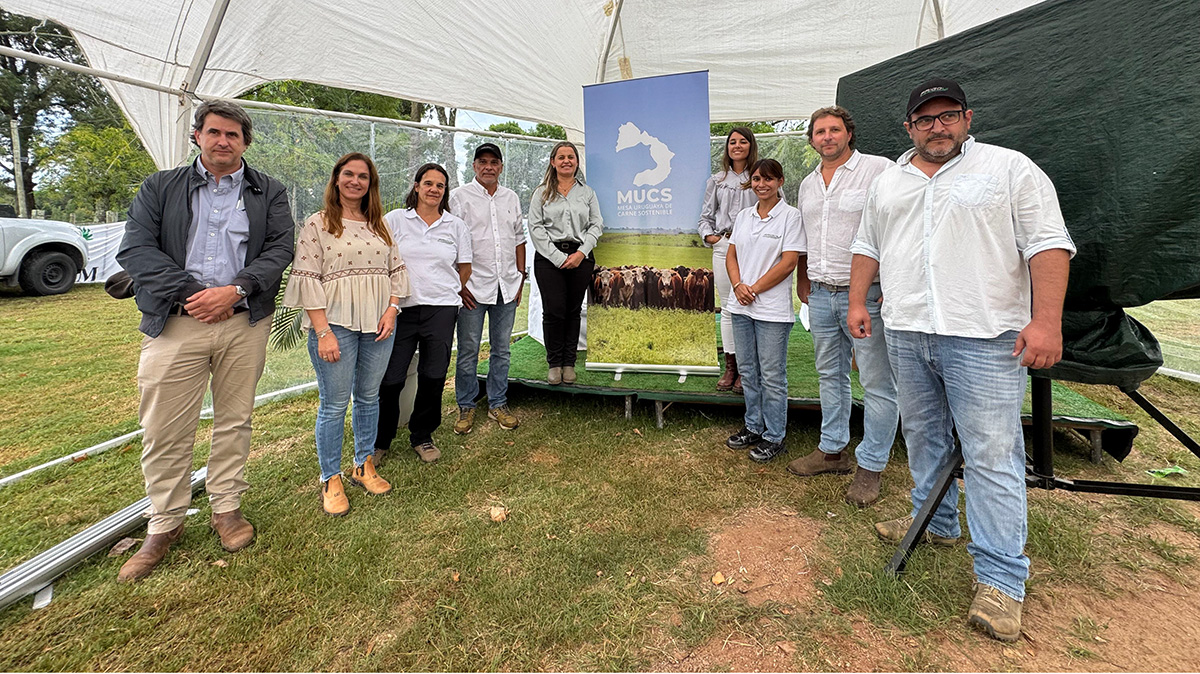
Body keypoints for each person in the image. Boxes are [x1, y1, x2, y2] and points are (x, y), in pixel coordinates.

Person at [848, 78, 1074, 642]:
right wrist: (857, 300)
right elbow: (868, 245)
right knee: (923, 437)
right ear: (908, 127)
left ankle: (1001, 580)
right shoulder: (889, 182)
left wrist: (1046, 321)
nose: (937, 126)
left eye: (948, 115)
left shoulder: (1008, 169)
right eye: (925, 119)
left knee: (993, 453)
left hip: (984, 337)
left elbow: (1048, 242)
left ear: (967, 118)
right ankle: (939, 520)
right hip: (906, 330)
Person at [114, 100, 294, 581]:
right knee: (165, 428)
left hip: (241, 322)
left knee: (234, 421)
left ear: (245, 142)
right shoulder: (161, 186)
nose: (223, 141)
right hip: (177, 323)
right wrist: (197, 295)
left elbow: (280, 248)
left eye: (233, 135)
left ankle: (226, 508)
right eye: (214, 132)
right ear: (197, 136)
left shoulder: (268, 191)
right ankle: (165, 523)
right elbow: (136, 249)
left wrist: (234, 291)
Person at [283, 153, 410, 516]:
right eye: (349, 174)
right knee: (335, 403)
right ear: (336, 179)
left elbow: (396, 271)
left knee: (369, 397)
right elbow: (307, 280)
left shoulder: (379, 225)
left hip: (380, 324)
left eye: (364, 176)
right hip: (334, 325)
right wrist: (323, 331)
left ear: (372, 184)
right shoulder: (318, 224)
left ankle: (363, 464)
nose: (356, 181)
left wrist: (391, 310)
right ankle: (330, 477)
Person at [788, 106, 899, 507]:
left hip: (865, 295)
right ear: (812, 140)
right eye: (819, 131)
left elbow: (897, 226)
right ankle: (832, 450)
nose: (827, 137)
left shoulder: (878, 170)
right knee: (829, 374)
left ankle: (871, 467)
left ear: (849, 134)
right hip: (819, 292)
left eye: (835, 129)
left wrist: (892, 279)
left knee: (876, 382)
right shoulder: (807, 184)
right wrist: (803, 277)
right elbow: (805, 234)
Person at [376, 163, 472, 464]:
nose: (433, 189)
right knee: (390, 378)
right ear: (416, 186)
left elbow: (464, 268)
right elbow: (380, 261)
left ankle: (422, 435)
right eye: (428, 183)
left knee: (433, 375)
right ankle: (381, 441)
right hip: (400, 309)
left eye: (440, 186)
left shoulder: (455, 226)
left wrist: (444, 290)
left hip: (441, 310)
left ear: (445, 192)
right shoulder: (394, 220)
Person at [724, 158, 805, 463]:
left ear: (780, 182)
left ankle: (774, 435)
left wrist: (753, 289)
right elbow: (731, 255)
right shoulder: (744, 216)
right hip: (741, 305)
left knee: (772, 374)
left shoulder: (790, 217)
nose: (761, 184)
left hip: (770, 309)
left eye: (768, 179)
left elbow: (788, 263)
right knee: (748, 370)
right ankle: (753, 426)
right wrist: (737, 286)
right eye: (757, 179)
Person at [450, 143, 525, 434]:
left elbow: (519, 238)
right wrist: (459, 283)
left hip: (506, 284)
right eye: (482, 161)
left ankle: (498, 404)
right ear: (474, 166)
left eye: (494, 162)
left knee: (502, 350)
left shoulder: (511, 197)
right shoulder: (459, 197)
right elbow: (451, 240)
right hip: (472, 287)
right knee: (468, 349)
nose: (488, 167)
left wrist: (520, 276)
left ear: (501, 167)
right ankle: (466, 406)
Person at [527, 141, 603, 385]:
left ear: (577, 162)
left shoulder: (587, 193)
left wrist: (580, 254)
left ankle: (569, 362)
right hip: (549, 259)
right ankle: (554, 363)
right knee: (553, 311)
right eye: (561, 157)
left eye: (571, 157)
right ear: (553, 162)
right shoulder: (541, 193)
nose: (566, 161)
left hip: (581, 257)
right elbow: (535, 228)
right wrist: (559, 258)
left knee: (572, 311)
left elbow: (596, 225)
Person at [698, 127, 759, 393]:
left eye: (742, 141)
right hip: (724, 245)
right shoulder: (717, 180)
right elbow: (705, 217)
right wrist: (711, 238)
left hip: (755, 247)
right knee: (729, 307)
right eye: (732, 142)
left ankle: (749, 368)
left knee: (753, 304)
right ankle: (731, 366)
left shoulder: (760, 176)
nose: (737, 146)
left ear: (750, 146)